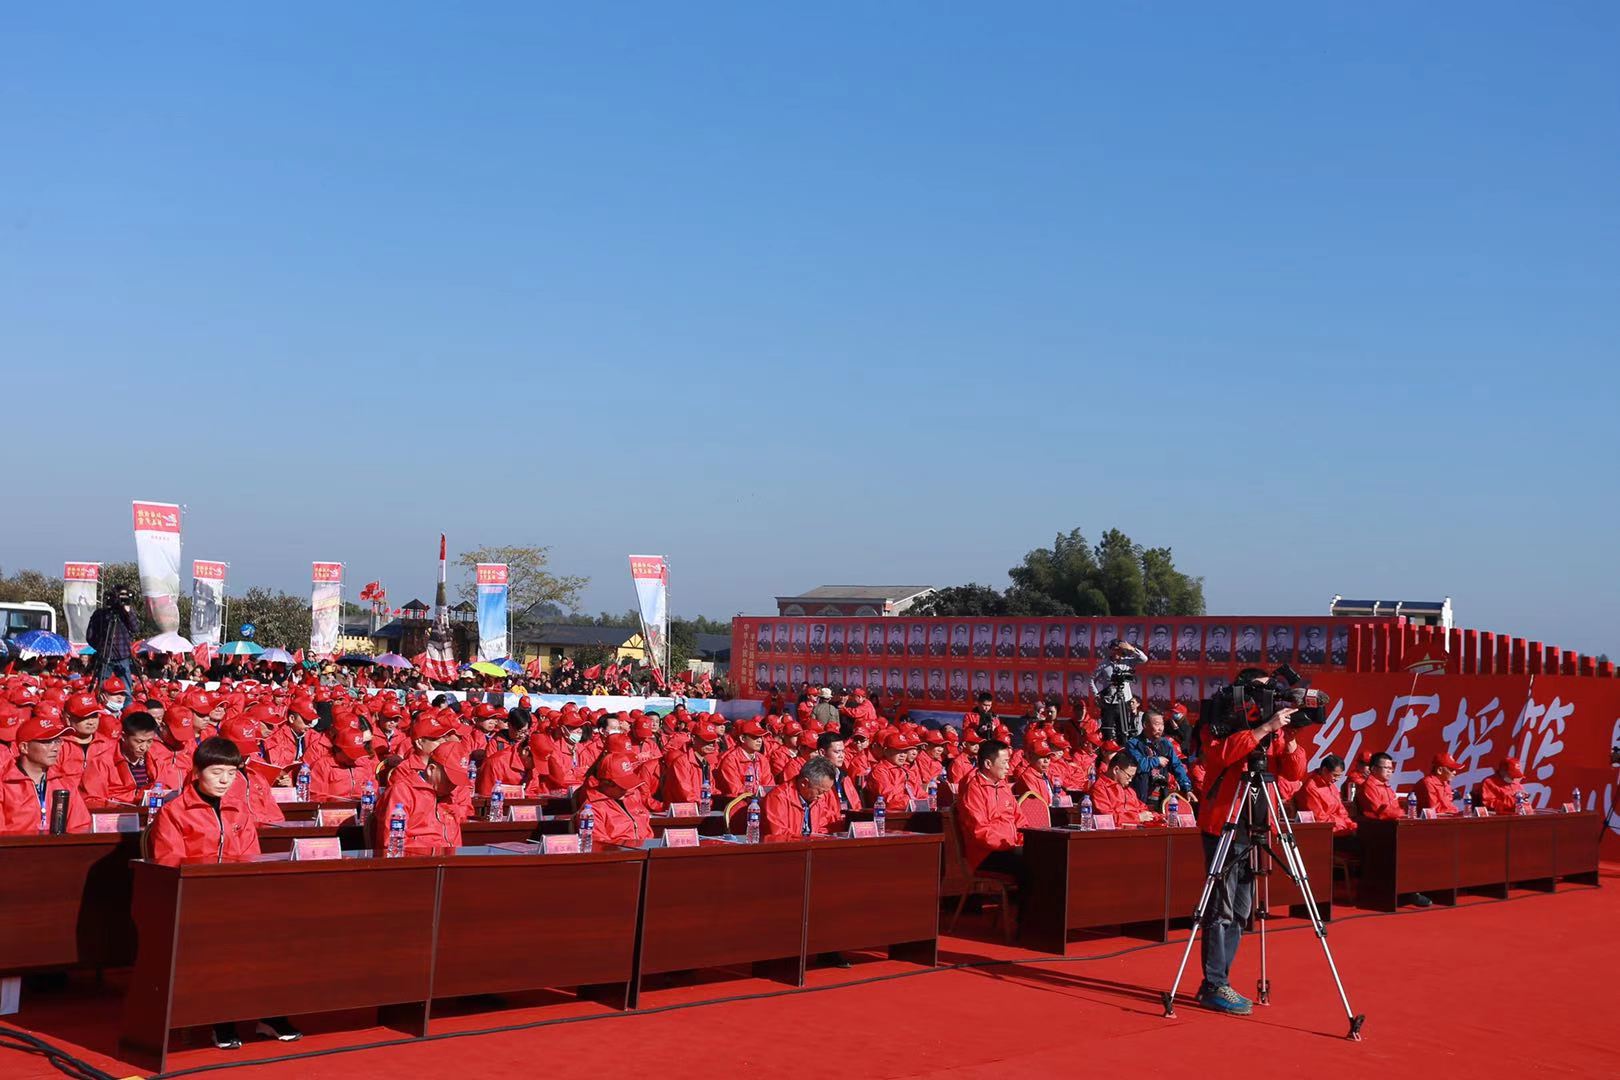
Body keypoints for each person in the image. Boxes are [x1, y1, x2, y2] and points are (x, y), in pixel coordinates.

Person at [148, 736, 303, 1050]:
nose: (224, 780)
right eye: (217, 772)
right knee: (226, 938)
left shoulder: (238, 809)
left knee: (282, 931)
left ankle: (269, 1014)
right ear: (197, 772)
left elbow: (251, 856)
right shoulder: (174, 812)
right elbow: (169, 864)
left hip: (237, 897)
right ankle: (222, 1019)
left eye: (231, 774)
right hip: (194, 900)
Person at [1189, 673, 1308, 1015]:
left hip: (1254, 825)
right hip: (1223, 825)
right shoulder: (1219, 717)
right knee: (1221, 910)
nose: (1267, 696)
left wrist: (1290, 737)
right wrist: (1264, 729)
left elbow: (1294, 773)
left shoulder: (1274, 727)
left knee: (1241, 912)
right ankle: (1214, 984)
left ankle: (1220, 980)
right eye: (1260, 689)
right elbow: (1221, 755)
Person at [1, 710, 92, 834]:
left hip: (58, 846)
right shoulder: (4, 785)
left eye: (57, 741)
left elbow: (80, 827)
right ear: (24, 747)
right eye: (47, 742)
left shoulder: (64, 784)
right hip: (15, 846)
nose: (56, 748)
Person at [378, 742, 468, 854]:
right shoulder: (402, 791)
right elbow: (393, 842)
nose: (453, 786)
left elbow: (455, 840)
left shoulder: (449, 796)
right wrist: (434, 853)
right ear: (431, 769)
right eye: (449, 780)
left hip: (447, 860)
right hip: (415, 860)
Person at [80, 711, 180, 808]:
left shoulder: (156, 758)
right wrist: (121, 805)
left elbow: (165, 787)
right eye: (139, 741)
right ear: (124, 737)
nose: (144, 747)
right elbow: (92, 800)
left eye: (149, 741)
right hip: (116, 814)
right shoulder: (102, 762)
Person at [580, 752, 653, 846]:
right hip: (619, 853)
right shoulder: (593, 809)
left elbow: (647, 831)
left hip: (645, 850)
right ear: (607, 783)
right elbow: (598, 844)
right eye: (623, 786)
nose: (627, 789)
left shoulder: (632, 797)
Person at [761, 756, 839, 839]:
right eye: (820, 792)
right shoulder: (777, 798)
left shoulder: (817, 800)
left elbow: (823, 828)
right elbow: (779, 835)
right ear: (804, 783)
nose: (821, 796)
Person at [1126, 711, 1193, 804]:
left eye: (1162, 724)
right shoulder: (1133, 744)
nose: (1160, 728)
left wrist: (1187, 788)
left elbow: (1176, 765)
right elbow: (1137, 766)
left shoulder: (1165, 743)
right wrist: (1157, 760)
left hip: (1161, 796)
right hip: (1139, 796)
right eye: (1157, 724)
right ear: (1145, 725)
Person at [86, 586, 140, 687]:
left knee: (126, 689)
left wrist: (128, 612)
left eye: (125, 597)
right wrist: (101, 647)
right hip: (105, 656)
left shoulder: (126, 613)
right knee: (103, 688)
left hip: (123, 656)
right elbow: (90, 636)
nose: (122, 600)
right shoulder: (101, 614)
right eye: (121, 596)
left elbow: (135, 629)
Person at [1089, 751, 1157, 824]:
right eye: (1129, 776)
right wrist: (1137, 817)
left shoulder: (1128, 790)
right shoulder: (1099, 788)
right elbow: (1106, 817)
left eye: (1132, 777)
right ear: (1116, 770)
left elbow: (1143, 809)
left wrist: (1157, 816)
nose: (1130, 780)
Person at [1294, 754, 1355, 835]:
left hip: (1337, 827)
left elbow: (1341, 810)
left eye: (1339, 776)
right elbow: (1319, 819)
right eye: (1335, 775)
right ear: (1324, 770)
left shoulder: (1330, 784)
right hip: (1323, 832)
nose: (1337, 779)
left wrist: (1350, 825)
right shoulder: (1311, 788)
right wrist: (1342, 825)